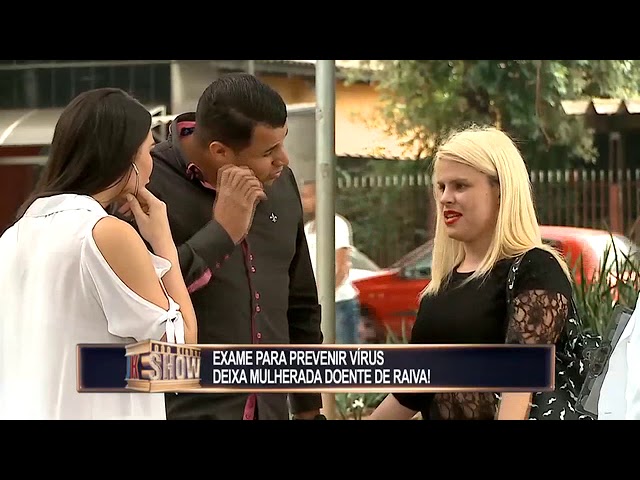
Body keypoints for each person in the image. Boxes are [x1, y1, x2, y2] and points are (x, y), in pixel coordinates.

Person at [124, 73, 323, 420]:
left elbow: (300, 304)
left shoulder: (281, 183)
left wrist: (309, 409)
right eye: (268, 152)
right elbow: (139, 306)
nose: (284, 160)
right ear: (219, 151)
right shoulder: (148, 188)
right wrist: (222, 233)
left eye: (282, 143)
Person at [0, 88, 198, 420]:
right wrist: (163, 242)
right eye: (149, 150)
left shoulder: (13, 236)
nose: (152, 163)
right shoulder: (104, 233)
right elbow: (180, 358)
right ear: (128, 158)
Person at [368, 125, 588, 420]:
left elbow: (520, 383)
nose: (446, 198)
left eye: (460, 186)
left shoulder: (535, 269)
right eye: (441, 187)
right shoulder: (440, 289)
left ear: (501, 192)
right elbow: (411, 391)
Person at [300, 180, 361, 344]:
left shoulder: (336, 224)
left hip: (339, 303)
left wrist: (324, 296)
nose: (303, 201)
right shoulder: (307, 228)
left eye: (306, 196)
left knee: (345, 354)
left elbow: (342, 268)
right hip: (317, 305)